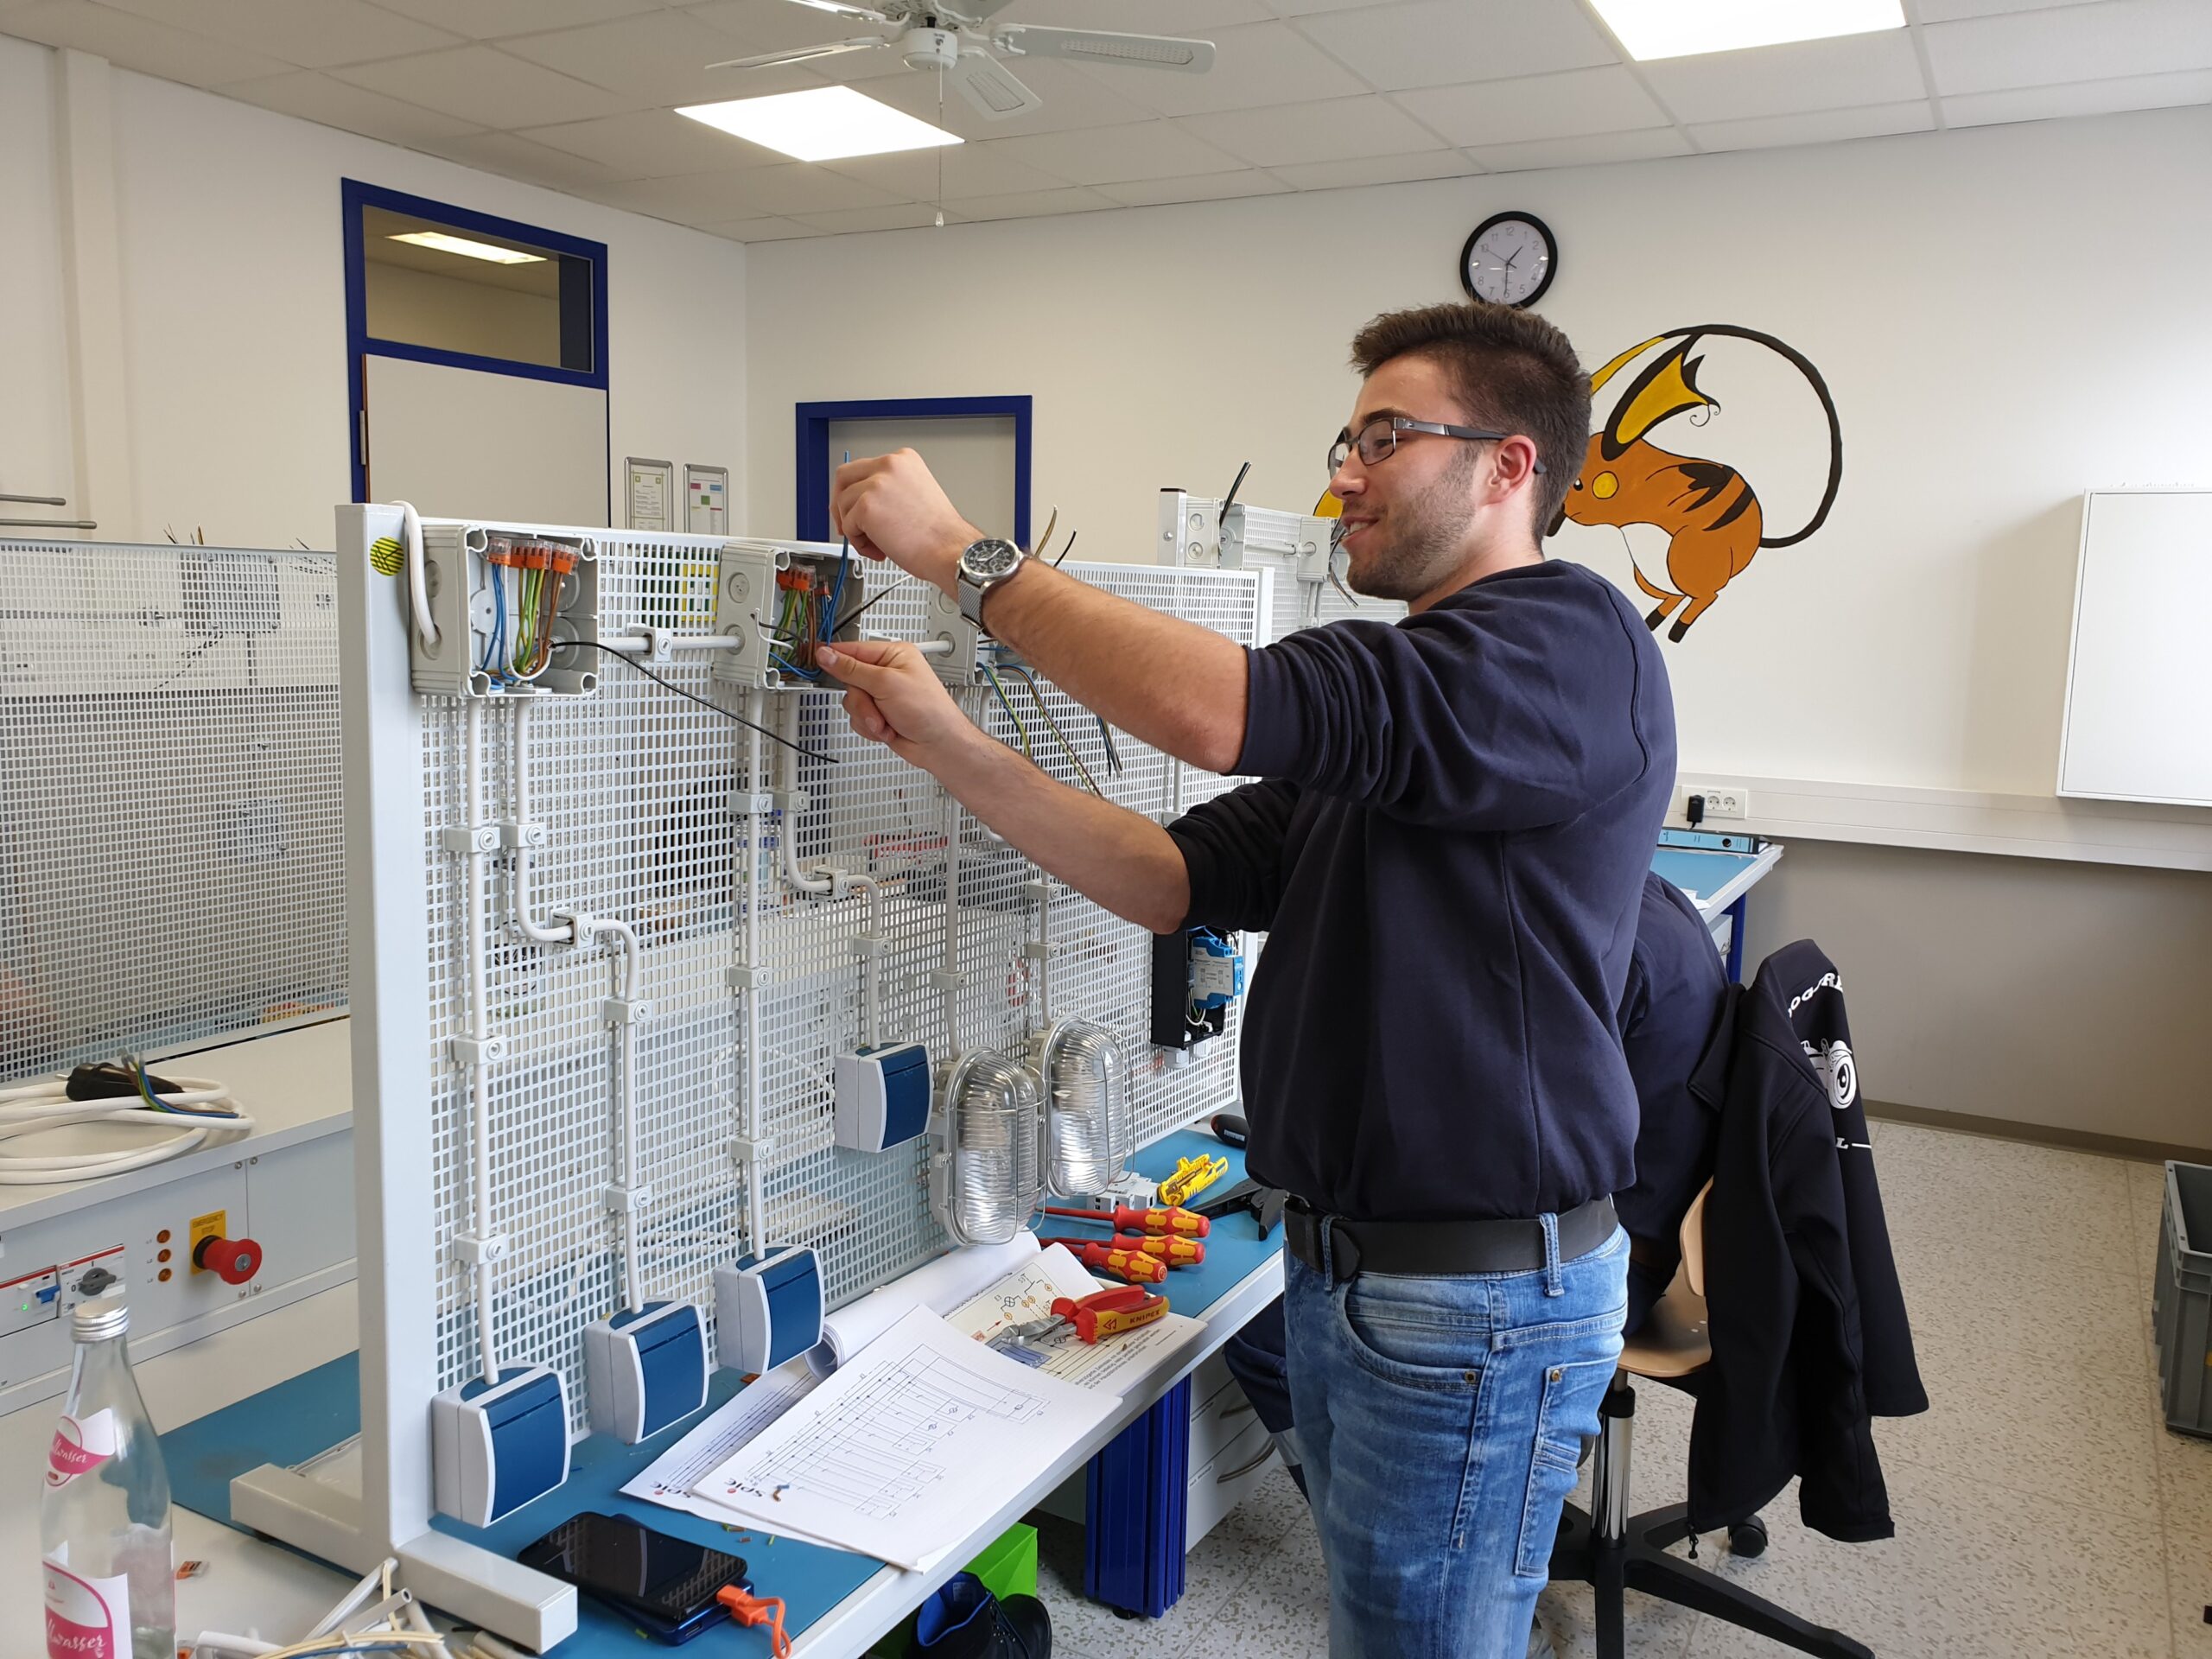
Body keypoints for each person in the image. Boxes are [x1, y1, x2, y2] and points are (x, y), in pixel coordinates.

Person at [817, 300, 1675, 1658]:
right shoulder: (1414, 715)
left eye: (1386, 437)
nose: (1344, 475)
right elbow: (1168, 876)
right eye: (1346, 440)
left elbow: (1224, 713)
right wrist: (945, 743)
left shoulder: (1564, 647)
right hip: (1355, 1278)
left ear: (1510, 467)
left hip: (1472, 1303)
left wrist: (962, 557)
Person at [1220, 868, 1732, 1488]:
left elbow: (1499, 1149)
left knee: (1260, 1330)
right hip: (1659, 1231)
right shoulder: (1648, 898)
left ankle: (1421, 1483)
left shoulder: (1591, 947)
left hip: (1598, 1265)